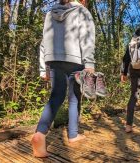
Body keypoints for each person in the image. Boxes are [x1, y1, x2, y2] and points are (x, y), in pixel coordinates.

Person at [31, 0, 97, 157]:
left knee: (56, 97)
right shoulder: (83, 12)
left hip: (54, 60)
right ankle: (73, 135)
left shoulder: (50, 13)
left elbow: (44, 42)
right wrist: (89, 64)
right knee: (74, 98)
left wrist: (44, 68)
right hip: (76, 60)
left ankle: (40, 135)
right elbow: (87, 38)